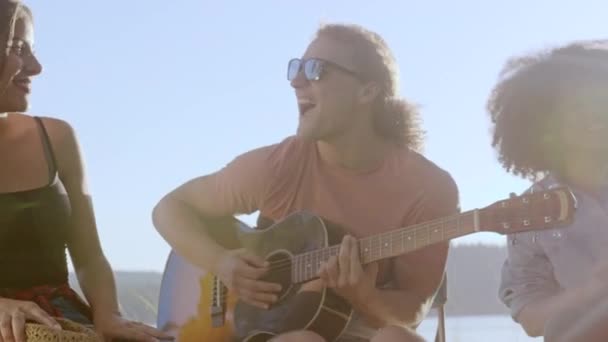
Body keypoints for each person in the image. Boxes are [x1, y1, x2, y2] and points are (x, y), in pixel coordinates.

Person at [153, 22, 459, 342]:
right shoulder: (281, 164)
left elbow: (411, 311)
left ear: (367, 90)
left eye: (316, 70)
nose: (296, 81)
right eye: (296, 68)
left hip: (364, 330)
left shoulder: (429, 188)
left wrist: (364, 295)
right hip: (264, 332)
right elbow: (170, 208)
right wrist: (221, 262)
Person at [0, 1, 171, 341]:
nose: (36, 67)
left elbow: (89, 257)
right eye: (18, 49)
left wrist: (109, 316)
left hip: (57, 320)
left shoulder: (56, 137)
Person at [489, 39, 608, 338]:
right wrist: (591, 293)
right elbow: (531, 317)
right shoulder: (528, 213)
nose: (593, 113)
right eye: (575, 105)